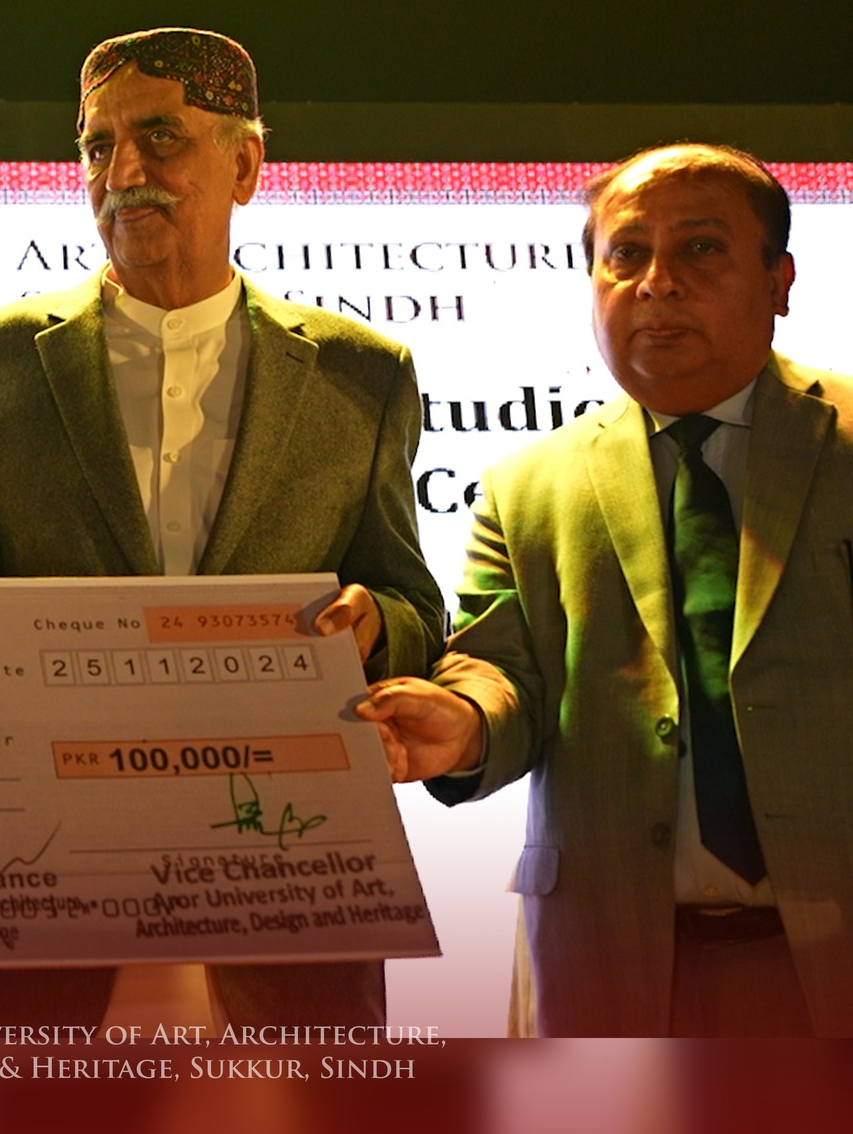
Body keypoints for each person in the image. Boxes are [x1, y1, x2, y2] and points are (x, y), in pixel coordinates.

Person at [0, 27, 445, 1030]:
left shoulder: (363, 373)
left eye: (160, 138)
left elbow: (412, 604)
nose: (123, 172)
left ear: (245, 165)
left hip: (284, 908)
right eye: (98, 145)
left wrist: (372, 626)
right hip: (41, 910)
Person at [359, 143, 853, 1037]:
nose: (657, 282)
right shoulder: (525, 486)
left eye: (700, 248)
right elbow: (497, 669)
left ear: (780, 281)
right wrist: (463, 725)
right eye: (626, 253)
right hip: (605, 969)